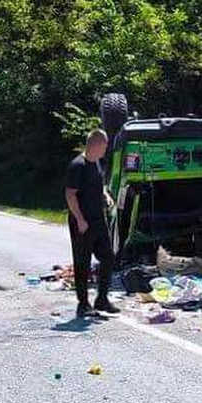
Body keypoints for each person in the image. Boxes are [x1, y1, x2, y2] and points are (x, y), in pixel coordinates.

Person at [65, 130, 118, 318]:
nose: (106, 149)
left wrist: (105, 194)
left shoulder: (96, 163)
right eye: (105, 145)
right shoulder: (77, 165)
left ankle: (102, 299)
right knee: (83, 262)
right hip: (82, 221)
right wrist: (80, 219)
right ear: (96, 144)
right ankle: (83, 304)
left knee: (108, 257)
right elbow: (70, 195)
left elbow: (98, 184)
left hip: (98, 219)